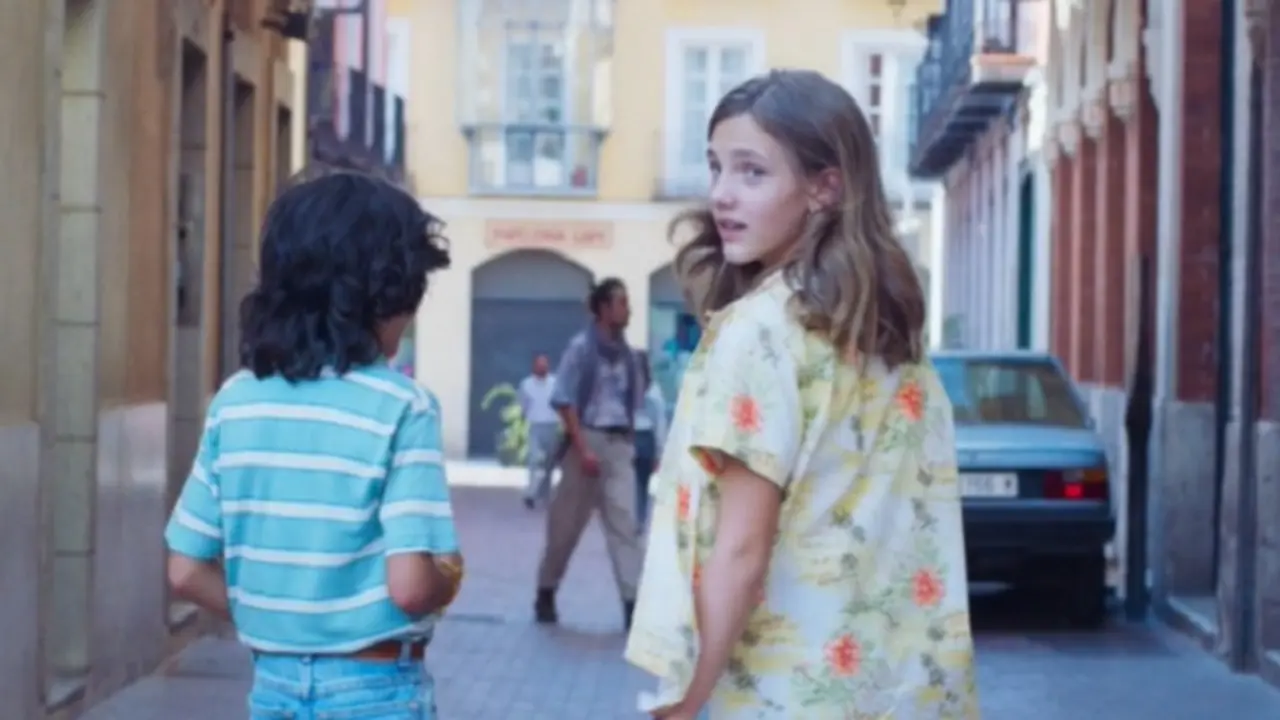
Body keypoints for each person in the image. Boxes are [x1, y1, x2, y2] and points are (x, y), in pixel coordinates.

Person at [625, 70, 979, 719]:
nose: (722, 194)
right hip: (900, 695)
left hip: (781, 696)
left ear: (825, 187)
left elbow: (741, 548)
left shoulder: (758, 333)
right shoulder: (891, 339)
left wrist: (681, 705)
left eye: (752, 171)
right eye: (716, 167)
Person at [163, 172, 464, 720]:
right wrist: (448, 577)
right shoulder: (404, 407)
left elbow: (185, 570)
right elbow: (410, 587)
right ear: (386, 295)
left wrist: (283, 620)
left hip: (273, 685)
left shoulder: (236, 401)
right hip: (376, 689)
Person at [533, 277, 646, 629]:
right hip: (586, 441)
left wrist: (628, 440)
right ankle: (546, 591)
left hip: (618, 444)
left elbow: (635, 399)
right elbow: (563, 400)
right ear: (603, 308)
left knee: (625, 526)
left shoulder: (630, 356)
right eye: (621, 303)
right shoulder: (581, 349)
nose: (627, 310)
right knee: (565, 528)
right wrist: (582, 448)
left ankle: (632, 605)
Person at [632, 349, 669, 530]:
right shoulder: (654, 391)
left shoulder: (626, 387)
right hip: (646, 440)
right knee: (642, 483)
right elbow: (660, 423)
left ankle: (633, 520)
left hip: (630, 438)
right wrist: (659, 452)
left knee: (629, 483)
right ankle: (639, 519)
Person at [519, 353, 561, 509]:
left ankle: (544, 494)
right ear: (534, 366)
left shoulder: (555, 383)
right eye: (539, 364)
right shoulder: (526, 384)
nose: (542, 367)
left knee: (550, 464)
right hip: (535, 426)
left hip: (552, 425)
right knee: (534, 460)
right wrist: (523, 421)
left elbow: (562, 403)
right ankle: (530, 494)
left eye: (545, 364)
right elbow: (523, 405)